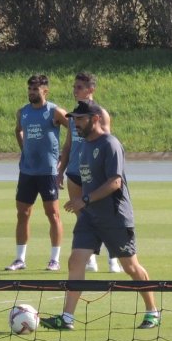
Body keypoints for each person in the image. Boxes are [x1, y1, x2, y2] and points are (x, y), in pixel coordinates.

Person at [41, 101, 160, 331]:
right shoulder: (84, 146)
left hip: (114, 217)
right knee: (76, 261)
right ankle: (67, 318)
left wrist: (84, 200)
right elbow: (82, 178)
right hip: (90, 217)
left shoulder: (110, 144)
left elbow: (115, 182)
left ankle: (152, 312)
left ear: (95, 119)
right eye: (74, 119)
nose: (75, 124)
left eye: (80, 119)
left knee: (130, 267)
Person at [57, 72, 122, 273]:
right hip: (75, 172)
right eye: (74, 87)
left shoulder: (100, 114)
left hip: (94, 174)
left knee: (104, 217)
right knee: (82, 217)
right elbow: (68, 145)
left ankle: (113, 259)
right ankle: (90, 259)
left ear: (91, 89)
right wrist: (60, 171)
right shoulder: (73, 115)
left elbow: (106, 145)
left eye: (79, 87)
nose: (75, 90)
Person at [5, 74, 68, 271]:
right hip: (27, 171)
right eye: (30, 89)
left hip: (48, 171)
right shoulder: (23, 112)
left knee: (53, 214)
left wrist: (64, 157)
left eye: (35, 89)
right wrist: (24, 149)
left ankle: (54, 259)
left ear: (45, 91)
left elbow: (74, 129)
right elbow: (18, 130)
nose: (31, 93)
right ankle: (20, 259)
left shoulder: (55, 112)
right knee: (23, 213)